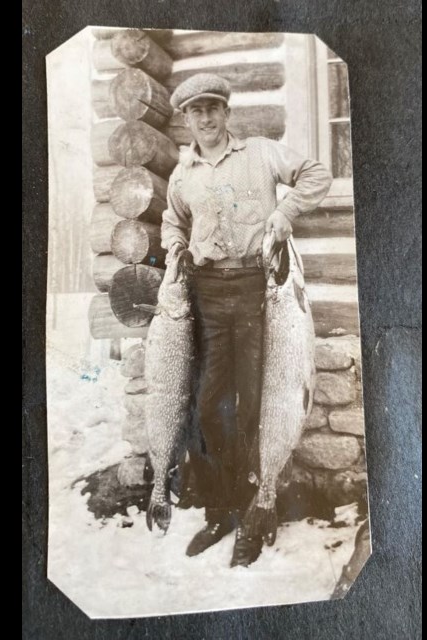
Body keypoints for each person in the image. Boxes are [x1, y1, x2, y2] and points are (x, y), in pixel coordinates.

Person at [161, 73, 332, 567]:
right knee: (212, 406)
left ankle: (257, 511)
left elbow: (316, 173)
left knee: (258, 403)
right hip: (208, 295)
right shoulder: (183, 172)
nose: (207, 118)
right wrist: (175, 244)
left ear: (226, 113)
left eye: (214, 107)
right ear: (186, 119)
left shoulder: (260, 152)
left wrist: (285, 213)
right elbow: (174, 219)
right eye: (197, 111)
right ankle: (219, 509)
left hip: (261, 292)